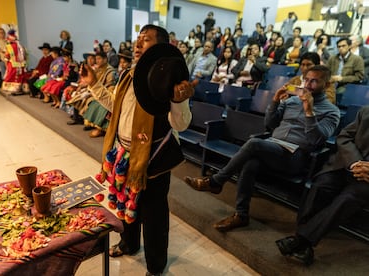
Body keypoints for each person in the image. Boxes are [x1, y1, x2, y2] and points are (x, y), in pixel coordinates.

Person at [80, 24, 194, 276]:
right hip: (123, 154)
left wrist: (180, 100)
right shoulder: (128, 75)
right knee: (125, 204)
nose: (138, 43)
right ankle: (129, 244)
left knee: (153, 217)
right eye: (138, 39)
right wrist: (94, 84)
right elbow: (114, 105)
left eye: (146, 39)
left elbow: (181, 125)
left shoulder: (167, 80)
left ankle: (155, 266)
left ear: (161, 48)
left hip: (153, 159)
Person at [184, 65, 340, 232]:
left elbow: (316, 139)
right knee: (251, 163)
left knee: (254, 144)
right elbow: (270, 125)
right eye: (307, 80)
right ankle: (241, 215)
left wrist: (309, 111)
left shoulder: (332, 112)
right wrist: (274, 102)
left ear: (327, 84)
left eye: (315, 81)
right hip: (273, 147)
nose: (308, 85)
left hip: (295, 156)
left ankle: (216, 181)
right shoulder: (292, 101)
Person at [276, 105, 369, 265]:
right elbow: (344, 136)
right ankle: (304, 241)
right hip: (347, 164)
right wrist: (355, 162)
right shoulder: (366, 111)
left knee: (348, 198)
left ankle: (301, 240)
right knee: (321, 186)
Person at [82, 51, 117, 137]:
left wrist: (97, 90)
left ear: (105, 59)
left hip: (108, 92)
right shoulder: (98, 69)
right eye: (96, 59)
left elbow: (111, 85)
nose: (97, 61)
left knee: (98, 104)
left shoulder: (110, 71)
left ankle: (100, 128)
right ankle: (91, 123)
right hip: (97, 91)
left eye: (99, 58)